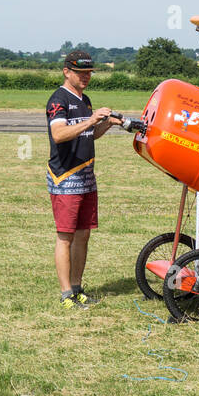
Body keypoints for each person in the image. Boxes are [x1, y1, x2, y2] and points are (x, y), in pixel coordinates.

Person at [46, 51, 121, 310]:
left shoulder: (84, 99)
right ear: (67, 72)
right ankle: (66, 294)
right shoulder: (58, 100)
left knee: (83, 235)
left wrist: (107, 122)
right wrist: (91, 119)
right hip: (66, 177)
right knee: (65, 237)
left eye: (88, 73)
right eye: (80, 73)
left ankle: (77, 288)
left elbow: (89, 134)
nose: (85, 77)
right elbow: (59, 134)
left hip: (87, 176)